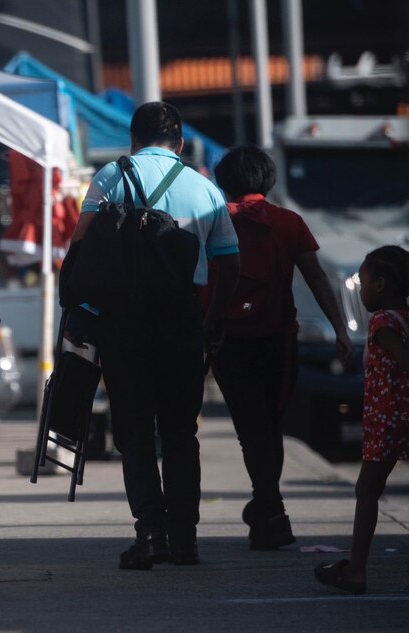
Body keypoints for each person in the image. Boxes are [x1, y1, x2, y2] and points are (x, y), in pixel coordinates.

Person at [72, 102, 241, 568]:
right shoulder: (205, 189)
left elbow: (81, 243)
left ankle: (150, 536)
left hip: (124, 322)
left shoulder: (112, 177)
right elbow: (229, 262)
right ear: (181, 144)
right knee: (181, 433)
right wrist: (213, 319)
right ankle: (184, 539)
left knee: (134, 431)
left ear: (132, 139)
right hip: (183, 319)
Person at [210, 146, 355, 550]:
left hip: (227, 338)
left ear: (224, 182)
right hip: (278, 339)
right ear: (268, 180)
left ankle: (269, 509)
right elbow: (315, 277)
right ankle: (269, 511)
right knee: (271, 425)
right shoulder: (289, 222)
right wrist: (340, 329)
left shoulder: (214, 221)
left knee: (250, 429)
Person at [315, 245, 409, 594]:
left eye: (364, 282)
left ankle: (355, 571)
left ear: (382, 285)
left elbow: (405, 361)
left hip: (390, 421)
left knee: (367, 490)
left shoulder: (382, 321)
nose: (362, 289)